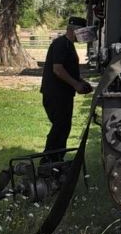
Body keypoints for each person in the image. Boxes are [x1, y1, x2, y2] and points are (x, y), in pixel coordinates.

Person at [40, 16, 94, 162]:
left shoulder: (69, 45)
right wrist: (76, 85)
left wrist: (81, 82)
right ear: (74, 30)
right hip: (55, 94)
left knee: (63, 128)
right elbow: (57, 69)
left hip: (64, 94)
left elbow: (69, 71)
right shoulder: (61, 44)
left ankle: (57, 159)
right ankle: (48, 161)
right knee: (60, 127)